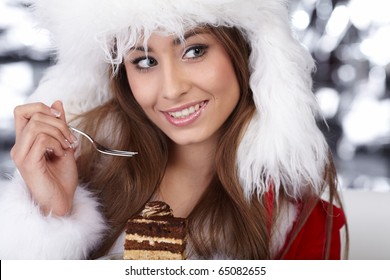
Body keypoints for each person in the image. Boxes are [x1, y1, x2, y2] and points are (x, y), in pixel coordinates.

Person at [0, 0, 347, 259]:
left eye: (194, 51)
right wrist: (50, 217)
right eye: (145, 61)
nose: (171, 89)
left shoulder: (301, 223)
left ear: (247, 53)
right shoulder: (83, 176)